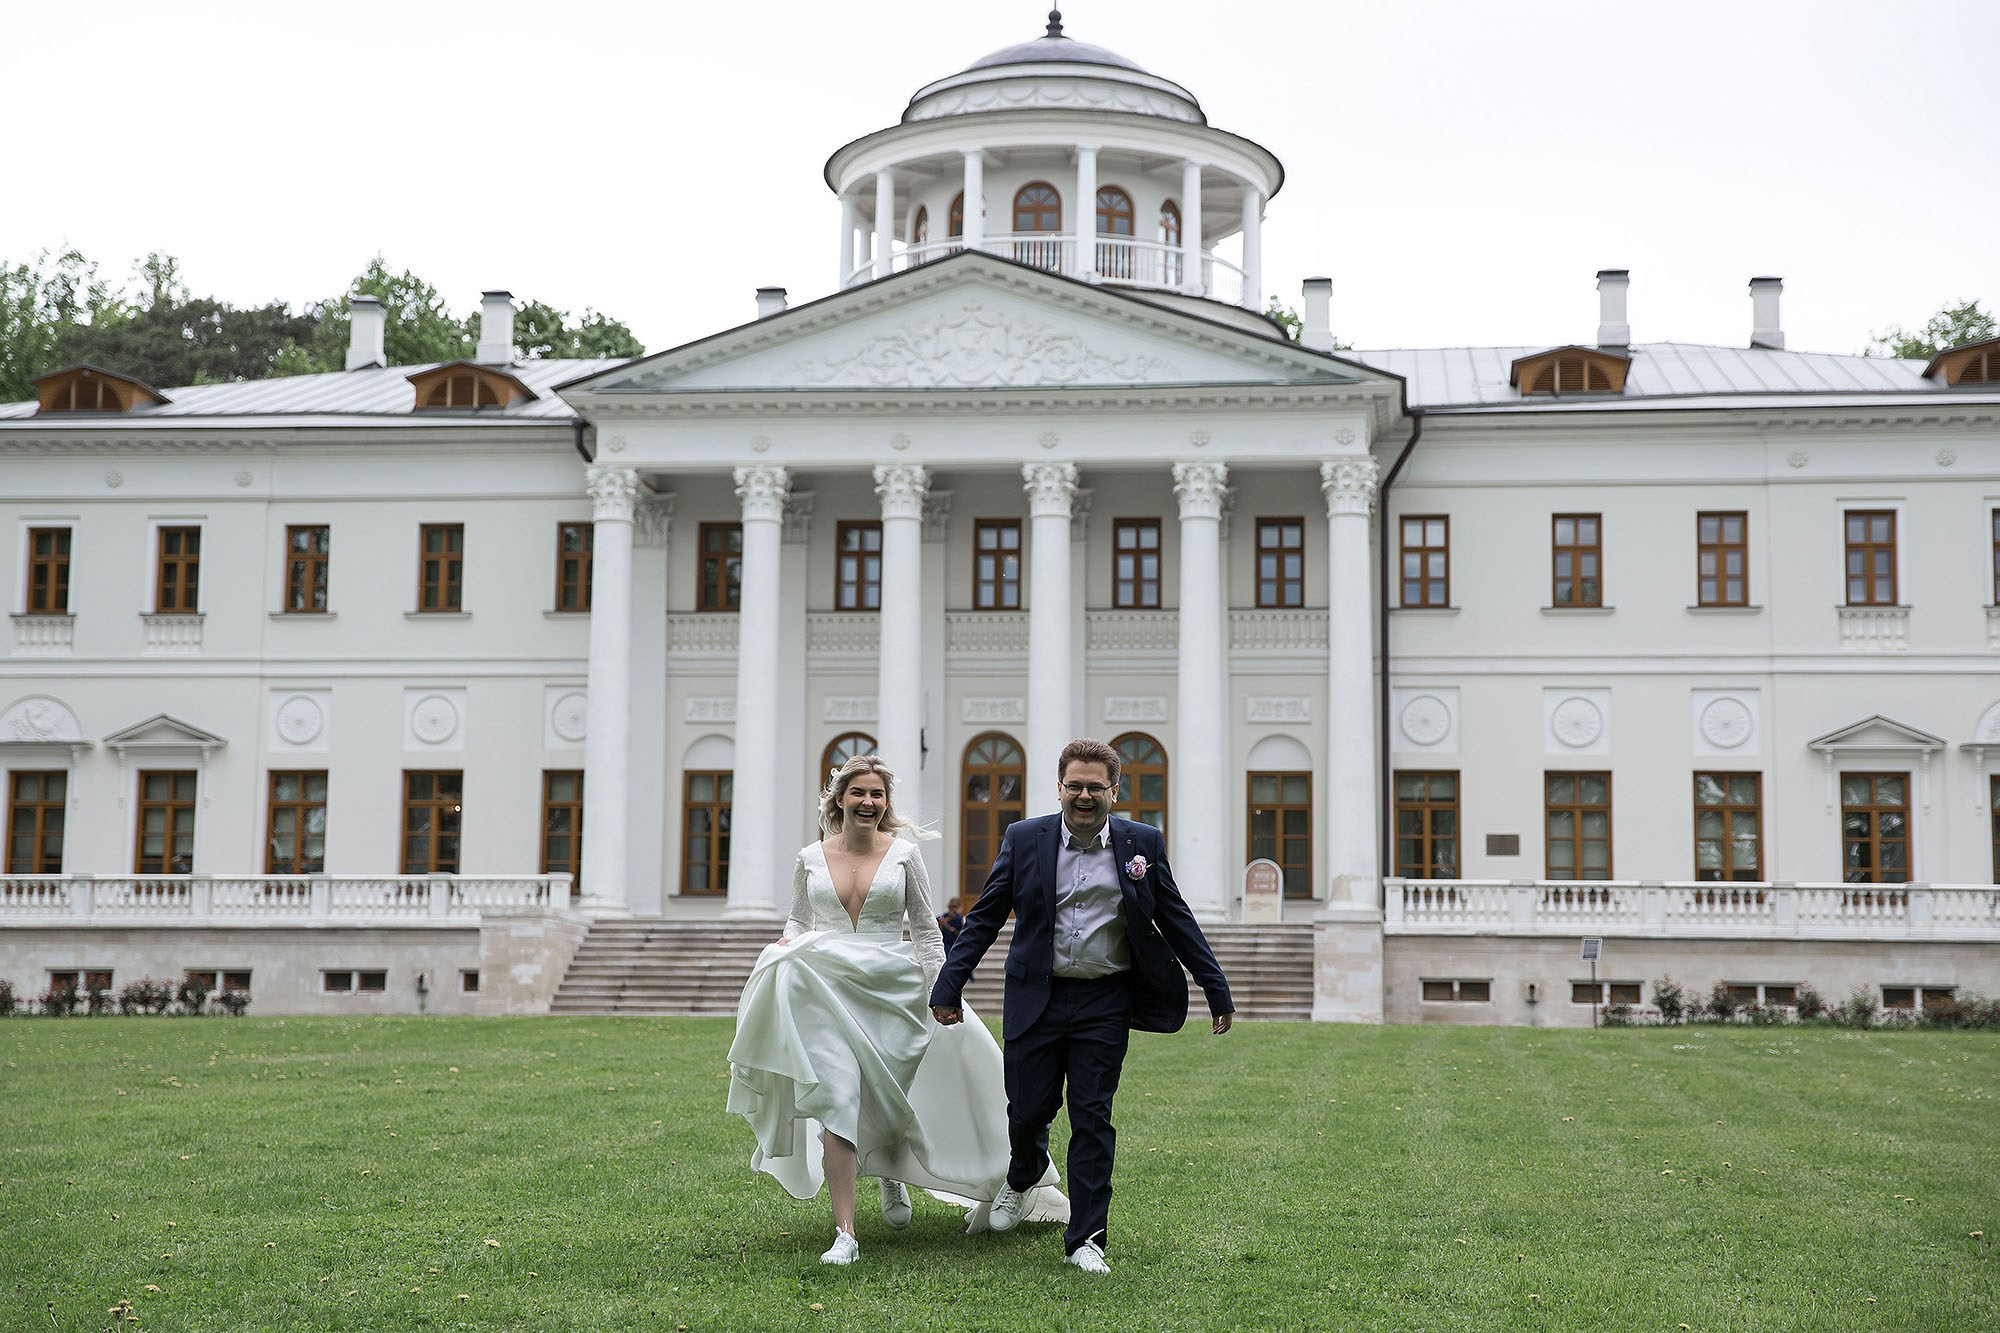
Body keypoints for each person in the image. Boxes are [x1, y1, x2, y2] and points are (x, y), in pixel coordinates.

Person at [726, 754, 1063, 1265]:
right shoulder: (809, 857)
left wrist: (944, 990)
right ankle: (845, 1234)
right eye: (858, 792)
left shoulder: (904, 855)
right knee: (838, 1097)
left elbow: (926, 930)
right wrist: (784, 944)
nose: (868, 802)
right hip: (827, 989)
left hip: (893, 987)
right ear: (840, 799)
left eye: (877, 794)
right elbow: (798, 920)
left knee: (892, 1093)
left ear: (886, 803)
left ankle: (892, 1173)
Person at [930, 737, 1234, 1275]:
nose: (1085, 796)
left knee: (1092, 1116)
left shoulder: (1142, 843)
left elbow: (1175, 916)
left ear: (1114, 791)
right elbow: (986, 916)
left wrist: (1215, 987)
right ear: (1059, 788)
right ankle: (1023, 1176)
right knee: (1027, 1110)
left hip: (1104, 999)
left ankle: (1086, 1239)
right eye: (1075, 786)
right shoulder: (1025, 838)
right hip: (1036, 996)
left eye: (1096, 787)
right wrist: (949, 984)